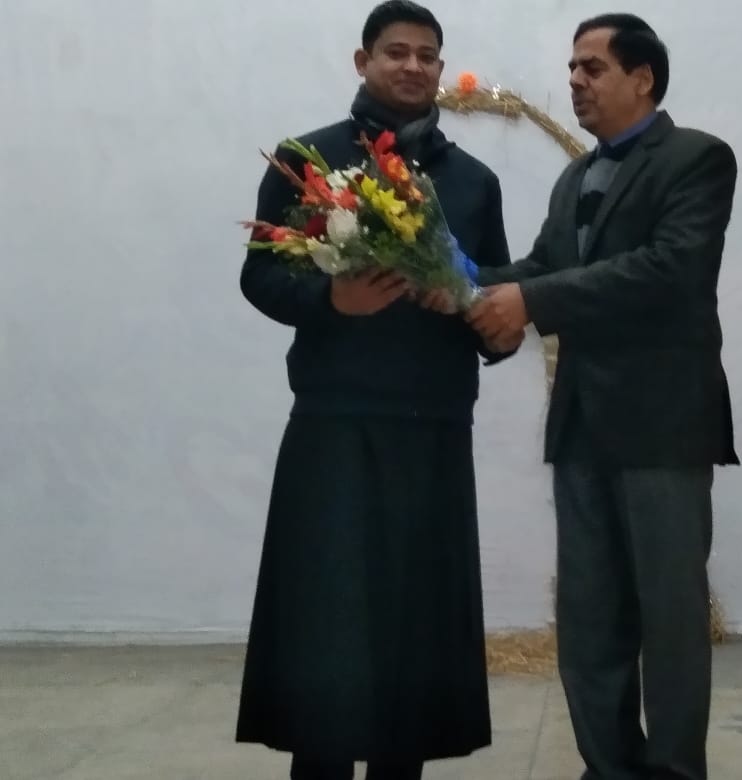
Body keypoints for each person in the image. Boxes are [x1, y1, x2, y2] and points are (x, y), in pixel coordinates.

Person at [234, 3, 521, 779]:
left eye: (428, 55)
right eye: (397, 52)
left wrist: (485, 322)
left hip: (434, 427)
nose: (413, 66)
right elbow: (260, 276)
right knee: (327, 628)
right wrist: (334, 300)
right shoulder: (308, 161)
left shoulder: (474, 181)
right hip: (336, 422)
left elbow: (494, 293)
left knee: (415, 633)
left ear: (441, 69)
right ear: (362, 61)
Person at [465, 13, 738, 780]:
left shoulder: (697, 159)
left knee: (670, 618)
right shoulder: (574, 178)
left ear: (642, 78)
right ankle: (608, 768)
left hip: (664, 427)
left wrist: (531, 300)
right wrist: (451, 280)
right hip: (582, 425)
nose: (575, 81)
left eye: (593, 67)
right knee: (588, 620)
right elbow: (542, 269)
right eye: (573, 67)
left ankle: (675, 771)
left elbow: (668, 269)